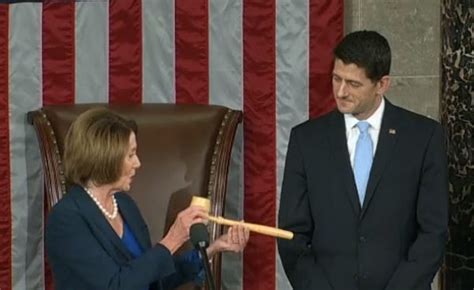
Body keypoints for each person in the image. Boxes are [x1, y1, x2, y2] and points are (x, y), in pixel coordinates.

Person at [278, 30, 448, 290]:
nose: (341, 92)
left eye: (353, 83)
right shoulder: (306, 140)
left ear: (382, 84)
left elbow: (433, 233)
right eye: (337, 79)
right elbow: (292, 235)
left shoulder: (423, 137)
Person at [45, 107, 249, 290]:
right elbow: (114, 285)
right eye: (131, 155)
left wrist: (212, 249)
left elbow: (153, 278)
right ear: (106, 158)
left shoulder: (124, 205)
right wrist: (173, 238)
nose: (138, 163)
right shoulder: (66, 218)